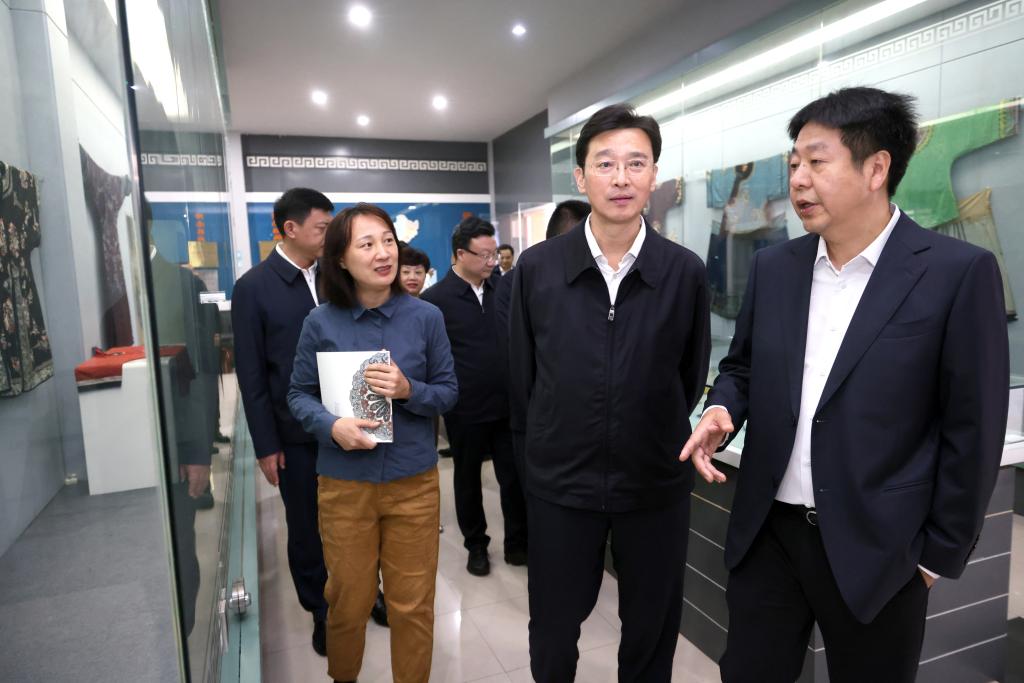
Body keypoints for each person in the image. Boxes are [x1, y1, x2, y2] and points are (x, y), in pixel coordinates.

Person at [680, 87, 1009, 683]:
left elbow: (973, 427)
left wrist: (935, 557)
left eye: (816, 161)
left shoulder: (955, 273)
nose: (797, 180)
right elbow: (743, 367)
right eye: (793, 164)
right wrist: (722, 408)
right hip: (769, 536)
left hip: (883, 547)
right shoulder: (776, 267)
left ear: (876, 168)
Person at [509, 103, 710, 681]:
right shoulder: (537, 269)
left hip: (654, 483)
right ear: (581, 177)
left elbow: (689, 375)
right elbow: (522, 379)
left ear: (654, 175)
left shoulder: (684, 271)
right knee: (553, 629)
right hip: (561, 485)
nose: (621, 178)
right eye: (605, 164)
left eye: (636, 163)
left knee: (651, 630)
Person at [288, 203, 457, 683]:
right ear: (341, 259)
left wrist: (408, 390)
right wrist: (330, 426)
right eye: (367, 244)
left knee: (413, 605)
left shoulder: (426, 317)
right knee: (348, 602)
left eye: (388, 241)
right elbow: (298, 394)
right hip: (345, 485)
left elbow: (448, 392)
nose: (383, 253)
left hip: (413, 484)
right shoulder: (320, 322)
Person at [232, 188, 386, 656]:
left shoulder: (338, 275)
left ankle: (369, 591)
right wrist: (266, 445)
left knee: (362, 515)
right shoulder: (254, 288)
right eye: (323, 227)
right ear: (290, 229)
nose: (330, 235)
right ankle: (322, 610)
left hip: (353, 422)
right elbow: (252, 374)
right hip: (295, 433)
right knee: (307, 527)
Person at [421, 217, 529, 575]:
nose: (491, 262)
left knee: (513, 478)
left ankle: (518, 543)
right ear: (460, 254)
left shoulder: (505, 290)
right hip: (465, 408)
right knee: (467, 480)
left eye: (493, 254)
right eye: (483, 255)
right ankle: (476, 545)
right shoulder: (436, 301)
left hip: (508, 404)